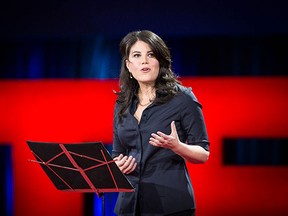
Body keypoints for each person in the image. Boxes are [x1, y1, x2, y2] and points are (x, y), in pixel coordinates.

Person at [112, 30, 210, 216]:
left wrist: (177, 146)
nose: (144, 61)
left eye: (151, 54)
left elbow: (203, 154)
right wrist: (118, 165)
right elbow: (117, 154)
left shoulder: (182, 99)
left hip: (170, 205)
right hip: (129, 205)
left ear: (160, 61)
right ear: (128, 65)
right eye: (137, 55)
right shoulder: (122, 104)